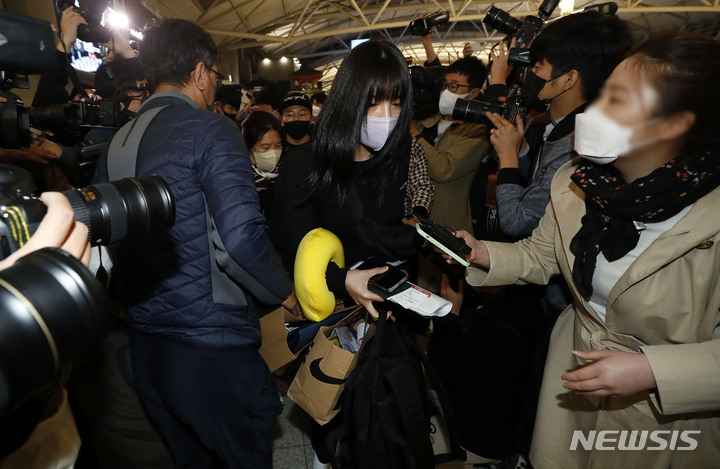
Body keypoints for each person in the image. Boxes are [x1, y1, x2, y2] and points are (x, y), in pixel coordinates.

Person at [451, 32, 720, 468]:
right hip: (575, 391)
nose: (594, 112)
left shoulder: (711, 214)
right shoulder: (577, 183)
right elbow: (543, 255)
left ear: (675, 124)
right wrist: (483, 254)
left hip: (671, 423)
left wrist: (653, 371)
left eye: (618, 100)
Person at [94, 18, 299, 468]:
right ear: (202, 73)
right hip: (212, 350)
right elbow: (239, 238)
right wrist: (284, 291)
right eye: (216, 76)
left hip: (147, 348)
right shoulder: (211, 130)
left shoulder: (116, 142)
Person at [269, 40, 417, 320]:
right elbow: (288, 252)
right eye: (373, 104)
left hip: (385, 307)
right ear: (348, 101)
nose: (385, 118)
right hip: (332, 311)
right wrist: (344, 279)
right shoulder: (304, 166)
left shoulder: (396, 158)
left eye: (396, 104)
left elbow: (387, 230)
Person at [486, 11, 632, 239]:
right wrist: (521, 150)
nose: (531, 73)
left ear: (568, 79)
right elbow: (539, 181)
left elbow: (517, 222)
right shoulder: (566, 125)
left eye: (538, 67)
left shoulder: (578, 148)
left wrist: (507, 158)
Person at [411, 55, 490, 234]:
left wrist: (416, 137)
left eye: (454, 86)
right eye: (444, 85)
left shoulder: (476, 131)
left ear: (473, 93)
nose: (446, 91)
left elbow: (443, 170)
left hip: (449, 230)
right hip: (417, 226)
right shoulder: (425, 122)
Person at [241, 110, 284, 215]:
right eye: (266, 147)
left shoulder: (287, 175)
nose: (273, 152)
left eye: (278, 146)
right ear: (249, 148)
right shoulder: (241, 182)